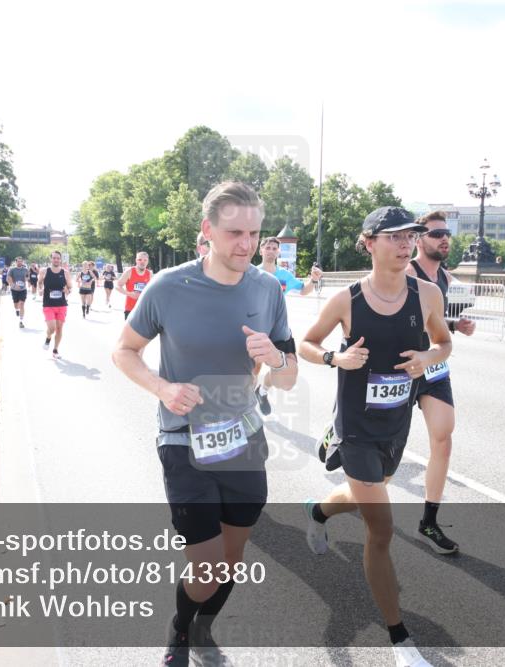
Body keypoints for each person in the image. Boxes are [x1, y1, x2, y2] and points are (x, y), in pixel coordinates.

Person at [112, 181, 298, 667]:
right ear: (207, 230)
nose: (246, 244)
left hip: (243, 439)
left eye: (254, 233)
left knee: (230, 562)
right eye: (235, 233)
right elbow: (124, 351)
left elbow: (290, 376)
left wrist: (276, 359)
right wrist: (163, 389)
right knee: (207, 565)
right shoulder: (168, 286)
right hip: (183, 439)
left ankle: (202, 626)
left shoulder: (268, 289)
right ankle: (179, 628)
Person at [300, 206, 452, 667]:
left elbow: (444, 342)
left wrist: (428, 359)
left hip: (395, 425)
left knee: (370, 493)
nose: (406, 245)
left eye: (410, 237)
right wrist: (335, 359)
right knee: (381, 529)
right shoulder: (347, 299)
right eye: (394, 237)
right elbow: (306, 344)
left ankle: (318, 511)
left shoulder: (427, 294)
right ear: (368, 243)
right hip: (356, 428)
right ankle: (400, 639)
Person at [396, 210, 477, 553]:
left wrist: (459, 326)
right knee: (384, 456)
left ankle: (429, 522)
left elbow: (440, 321)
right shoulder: (404, 272)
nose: (444, 239)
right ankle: (340, 428)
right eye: (436, 233)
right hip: (402, 367)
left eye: (447, 234)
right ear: (418, 239)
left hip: (434, 368)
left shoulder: (447, 278)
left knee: (443, 439)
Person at [253, 236, 323, 416]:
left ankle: (262, 391)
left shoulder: (284, 275)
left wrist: (313, 280)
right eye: (267, 247)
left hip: (279, 330)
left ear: (278, 252)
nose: (271, 251)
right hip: (257, 329)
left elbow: (303, 290)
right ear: (261, 250)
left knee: (285, 372)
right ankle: (248, 408)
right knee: (255, 369)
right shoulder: (251, 273)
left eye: (274, 248)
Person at [38, 251, 71, 358]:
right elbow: (39, 282)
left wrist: (67, 290)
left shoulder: (65, 273)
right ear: (50, 259)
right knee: (52, 328)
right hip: (48, 305)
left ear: (60, 259)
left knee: (59, 328)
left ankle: (55, 350)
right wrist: (40, 289)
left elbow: (70, 287)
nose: (56, 260)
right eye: (54, 258)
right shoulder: (44, 271)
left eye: (58, 258)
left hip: (61, 305)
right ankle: (48, 338)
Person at [116, 251, 152, 321]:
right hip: (130, 309)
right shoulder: (130, 271)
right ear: (136, 260)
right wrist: (130, 294)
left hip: (144, 309)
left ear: (147, 261)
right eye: (140, 260)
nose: (142, 262)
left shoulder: (149, 274)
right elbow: (117, 286)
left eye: (145, 260)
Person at [7, 258, 29, 328]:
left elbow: (27, 277)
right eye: (18, 261)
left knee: (21, 304)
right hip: (14, 290)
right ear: (16, 262)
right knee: (16, 305)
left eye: (21, 261)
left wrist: (26, 279)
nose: (20, 263)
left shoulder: (25, 269)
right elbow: (8, 278)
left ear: (22, 262)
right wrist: (14, 285)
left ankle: (21, 321)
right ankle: (16, 310)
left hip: (23, 289)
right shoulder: (12, 269)